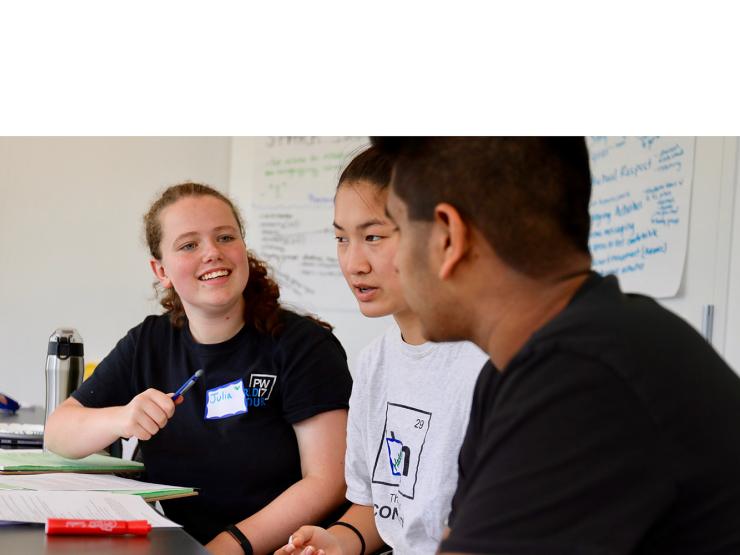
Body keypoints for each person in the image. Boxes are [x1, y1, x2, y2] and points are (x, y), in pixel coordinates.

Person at [370, 137, 740, 554]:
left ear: (450, 238)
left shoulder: (582, 378)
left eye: (397, 229)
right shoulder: (519, 369)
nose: (396, 261)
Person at [44, 182, 352, 554]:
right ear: (161, 270)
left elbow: (327, 482)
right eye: (189, 245)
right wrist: (122, 418)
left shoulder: (302, 345)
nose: (212, 253)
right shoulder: (148, 342)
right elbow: (58, 433)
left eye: (225, 237)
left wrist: (228, 545)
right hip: (187, 546)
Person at [277, 146, 487, 555]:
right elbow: (377, 507)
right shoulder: (375, 362)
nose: (354, 263)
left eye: (373, 237)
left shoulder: (484, 362)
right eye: (341, 238)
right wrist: (336, 542)